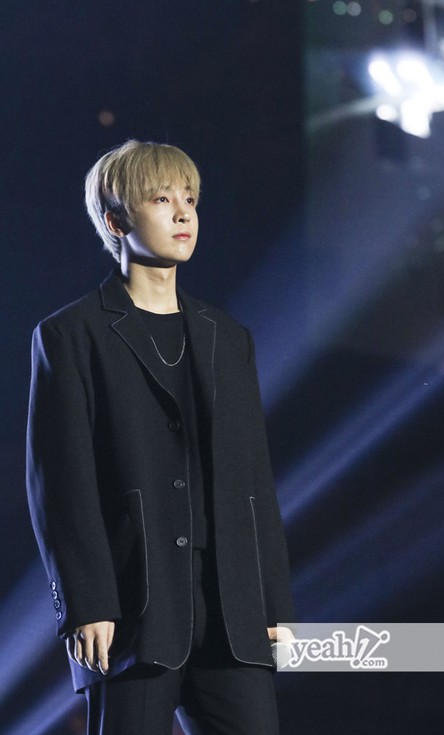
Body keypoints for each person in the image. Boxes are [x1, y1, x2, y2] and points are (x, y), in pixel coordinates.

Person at [26, 139, 295, 734]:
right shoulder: (71, 335)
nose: (182, 213)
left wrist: (273, 602)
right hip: (134, 606)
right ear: (116, 221)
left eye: (190, 199)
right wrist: (87, 602)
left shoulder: (228, 337)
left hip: (231, 611)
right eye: (161, 199)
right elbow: (60, 485)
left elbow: (254, 475)